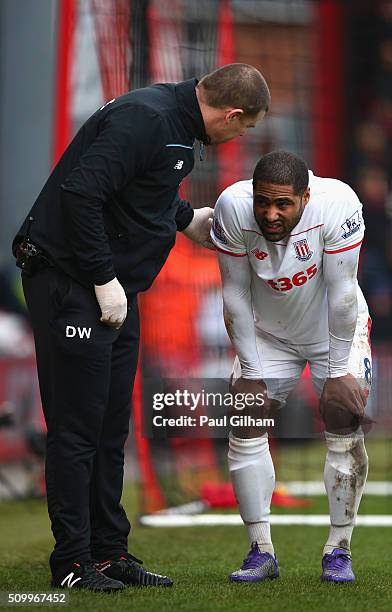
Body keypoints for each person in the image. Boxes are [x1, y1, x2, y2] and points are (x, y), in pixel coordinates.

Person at [12, 64, 271, 592]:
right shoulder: (148, 118)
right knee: (77, 430)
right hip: (74, 285)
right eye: (242, 129)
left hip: (113, 294)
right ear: (232, 113)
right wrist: (103, 278)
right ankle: (71, 563)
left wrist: (183, 219)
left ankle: (108, 552)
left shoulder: (172, 123)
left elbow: (134, 187)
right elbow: (82, 194)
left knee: (110, 430)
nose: (238, 137)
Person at [211, 151, 371, 583]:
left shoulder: (339, 203)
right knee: (245, 414)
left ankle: (339, 549)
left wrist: (339, 372)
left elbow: (343, 293)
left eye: (283, 204)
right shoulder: (231, 206)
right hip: (268, 333)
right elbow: (234, 294)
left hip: (332, 331)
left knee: (343, 417)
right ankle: (260, 550)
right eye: (263, 202)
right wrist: (250, 371)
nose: (271, 213)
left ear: (306, 196)